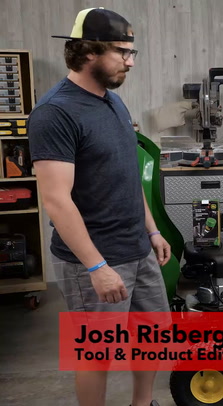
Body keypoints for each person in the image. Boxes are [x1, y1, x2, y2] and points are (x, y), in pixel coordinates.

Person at [28, 8, 169, 406]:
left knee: (152, 335)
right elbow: (56, 199)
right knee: (97, 354)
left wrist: (152, 229)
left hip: (137, 248)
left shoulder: (113, 103)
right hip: (94, 259)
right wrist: (96, 267)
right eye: (122, 51)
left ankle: (142, 403)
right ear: (88, 51)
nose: (130, 61)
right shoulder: (55, 113)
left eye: (131, 52)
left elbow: (128, 173)